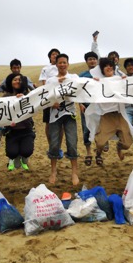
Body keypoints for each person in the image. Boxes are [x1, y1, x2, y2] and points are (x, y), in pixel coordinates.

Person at [88, 58, 133, 165]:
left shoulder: (119, 79)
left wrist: (125, 80)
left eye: (110, 65)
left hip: (119, 115)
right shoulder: (98, 81)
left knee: (127, 144)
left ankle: (118, 147)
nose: (109, 67)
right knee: (101, 143)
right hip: (107, 117)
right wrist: (94, 83)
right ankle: (98, 153)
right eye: (106, 66)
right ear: (102, 69)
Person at [46, 53, 79, 186]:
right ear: (56, 64)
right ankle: (53, 171)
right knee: (54, 143)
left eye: (64, 62)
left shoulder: (74, 78)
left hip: (70, 113)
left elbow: (83, 88)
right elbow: (45, 97)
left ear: (68, 64)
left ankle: (74, 173)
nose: (62, 65)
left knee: (72, 142)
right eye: (60, 62)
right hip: (54, 114)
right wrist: (51, 103)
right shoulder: (50, 80)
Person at [3, 73, 35, 171]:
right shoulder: (5, 97)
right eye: (15, 80)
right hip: (12, 131)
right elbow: (2, 113)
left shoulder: (28, 94)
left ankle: (24, 157)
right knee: (12, 153)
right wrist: (8, 122)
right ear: (10, 82)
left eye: (19, 80)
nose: (17, 81)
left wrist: (25, 98)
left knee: (27, 151)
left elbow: (34, 108)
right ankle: (15, 157)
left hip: (26, 129)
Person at [39, 48, 63, 157]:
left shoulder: (61, 67)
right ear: (50, 57)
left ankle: (59, 147)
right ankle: (51, 146)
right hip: (49, 98)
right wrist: (50, 98)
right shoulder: (45, 69)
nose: (55, 56)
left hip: (61, 97)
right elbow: (44, 84)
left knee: (60, 124)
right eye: (53, 54)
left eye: (57, 54)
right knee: (48, 123)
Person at [78, 51, 99, 166]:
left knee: (99, 129)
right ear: (86, 61)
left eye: (94, 59)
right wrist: (80, 103)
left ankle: (99, 153)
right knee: (86, 129)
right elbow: (77, 91)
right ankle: (89, 152)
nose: (92, 61)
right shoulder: (82, 75)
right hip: (85, 106)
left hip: (99, 106)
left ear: (97, 60)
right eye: (90, 59)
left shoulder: (101, 74)